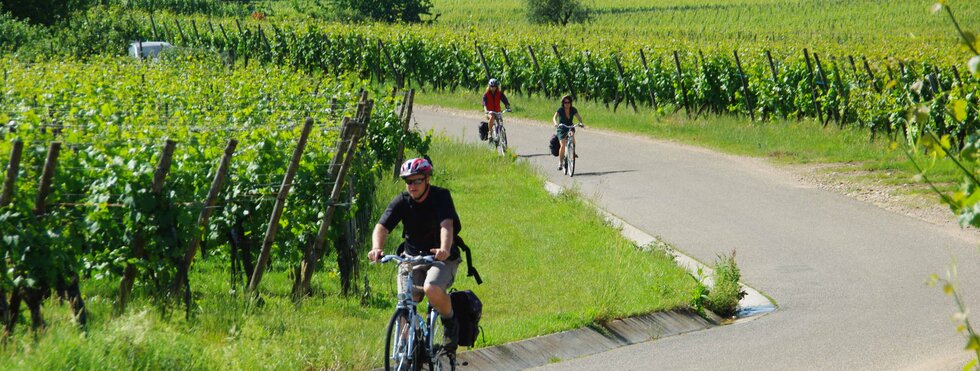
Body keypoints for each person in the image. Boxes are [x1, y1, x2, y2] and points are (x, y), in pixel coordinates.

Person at [368, 158, 463, 351]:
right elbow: (381, 227)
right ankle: (405, 351)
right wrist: (377, 247)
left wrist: (444, 249)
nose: (412, 186)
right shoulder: (402, 201)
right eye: (408, 181)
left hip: (441, 258)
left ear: (427, 179)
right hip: (410, 258)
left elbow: (447, 225)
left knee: (431, 288)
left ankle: (450, 322)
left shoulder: (441, 197)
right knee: (405, 302)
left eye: (417, 181)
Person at [552, 95, 584, 170]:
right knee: (562, 145)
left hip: (570, 127)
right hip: (562, 128)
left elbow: (579, 117)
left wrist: (580, 122)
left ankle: (572, 151)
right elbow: (554, 117)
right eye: (565, 102)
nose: (567, 104)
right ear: (563, 103)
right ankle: (560, 162)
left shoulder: (573, 109)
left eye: (569, 102)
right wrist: (555, 123)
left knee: (572, 137)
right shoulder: (560, 110)